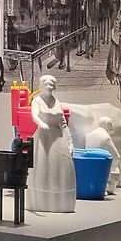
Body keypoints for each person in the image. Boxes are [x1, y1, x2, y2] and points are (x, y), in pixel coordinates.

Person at [27, 74, 75, 212]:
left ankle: (61, 203)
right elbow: (34, 115)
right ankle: (40, 202)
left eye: (51, 85)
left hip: (58, 137)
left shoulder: (56, 101)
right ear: (40, 86)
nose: (49, 87)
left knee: (61, 169)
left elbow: (63, 123)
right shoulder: (37, 100)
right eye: (46, 84)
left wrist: (70, 141)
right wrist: (41, 123)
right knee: (43, 167)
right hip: (44, 139)